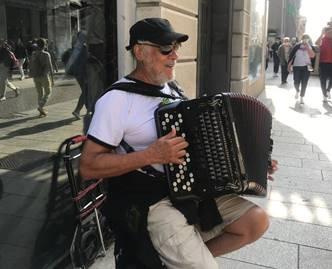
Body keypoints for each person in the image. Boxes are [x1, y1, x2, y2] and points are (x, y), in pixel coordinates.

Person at [80, 18, 278, 269]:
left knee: (255, 221)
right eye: (166, 49)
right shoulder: (116, 101)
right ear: (140, 52)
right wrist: (150, 155)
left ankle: (177, 261)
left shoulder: (172, 88)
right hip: (152, 200)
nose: (174, 55)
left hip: (190, 190)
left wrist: (253, 162)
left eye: (176, 47)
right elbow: (89, 166)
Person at [29, 38, 54, 117]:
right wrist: (52, 79)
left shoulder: (33, 53)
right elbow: (50, 67)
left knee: (40, 93)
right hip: (44, 76)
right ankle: (40, 107)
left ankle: (41, 111)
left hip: (36, 76)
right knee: (48, 92)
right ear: (44, 45)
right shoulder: (46, 54)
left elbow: (30, 64)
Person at [288, 34, 315, 105]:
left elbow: (312, 56)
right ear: (302, 39)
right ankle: (297, 91)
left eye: (307, 38)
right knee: (296, 81)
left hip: (307, 66)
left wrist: (307, 48)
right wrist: (289, 66)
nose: (305, 40)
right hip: (297, 66)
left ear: (309, 39)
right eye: (304, 38)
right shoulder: (297, 46)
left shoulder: (310, 46)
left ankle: (302, 97)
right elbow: (291, 56)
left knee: (304, 82)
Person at [315, 22, 332, 102]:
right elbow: (316, 43)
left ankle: (328, 90)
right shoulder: (322, 39)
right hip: (323, 63)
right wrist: (321, 34)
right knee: (323, 80)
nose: (330, 31)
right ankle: (324, 95)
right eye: (328, 30)